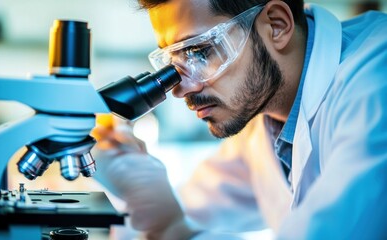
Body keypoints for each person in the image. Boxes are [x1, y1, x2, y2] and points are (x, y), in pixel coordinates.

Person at [91, 0, 387, 239]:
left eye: (200, 51)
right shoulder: (264, 118)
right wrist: (138, 195)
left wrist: (171, 227)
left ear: (277, 25)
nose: (181, 89)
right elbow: (188, 211)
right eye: (174, 63)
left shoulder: (376, 82)